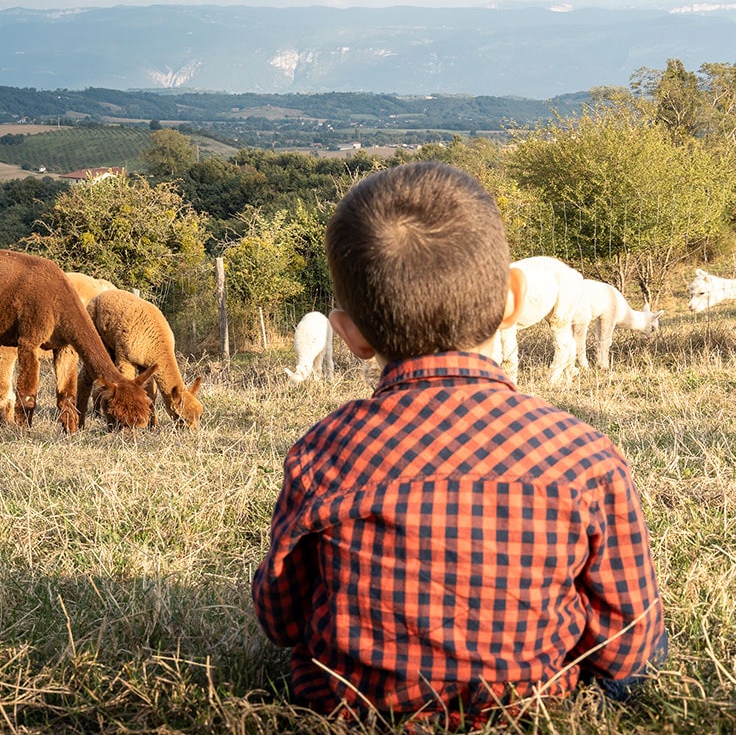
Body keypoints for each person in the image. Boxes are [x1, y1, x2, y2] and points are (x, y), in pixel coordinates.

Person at [251, 161, 665, 727]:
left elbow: (281, 618)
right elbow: (627, 644)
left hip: (351, 706)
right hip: (530, 705)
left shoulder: (321, 452)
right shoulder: (586, 455)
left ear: (350, 336)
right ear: (513, 301)